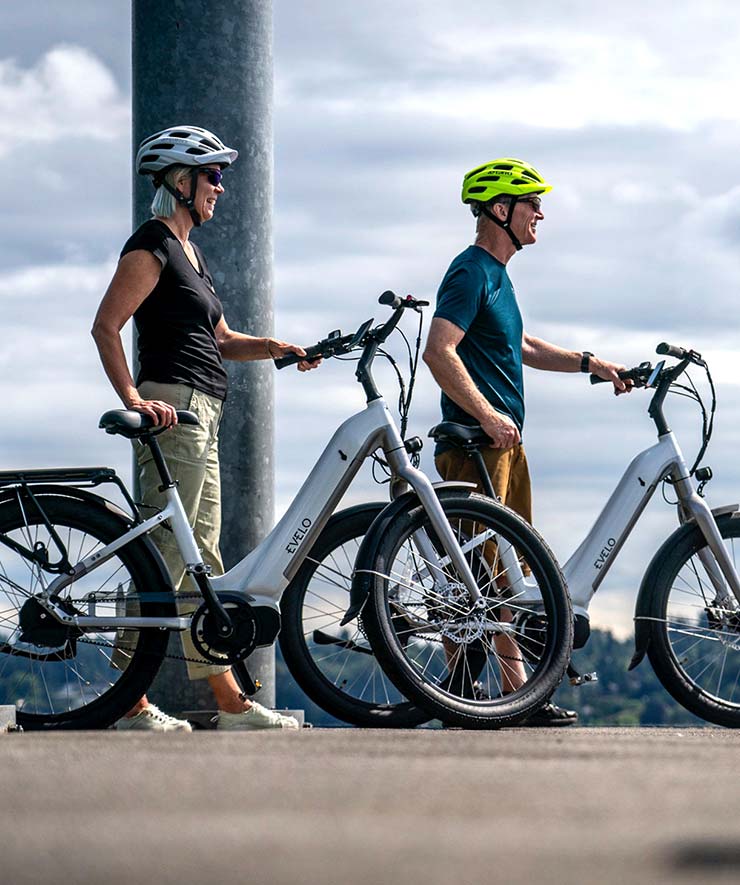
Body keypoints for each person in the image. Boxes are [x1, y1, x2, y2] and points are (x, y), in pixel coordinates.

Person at [92, 125, 318, 731]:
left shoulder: (191, 253)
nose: (221, 187)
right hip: (172, 407)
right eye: (213, 176)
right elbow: (106, 326)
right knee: (173, 553)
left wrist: (276, 348)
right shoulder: (152, 247)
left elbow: (218, 338)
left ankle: (219, 702)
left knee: (196, 557)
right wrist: (135, 398)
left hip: (204, 412)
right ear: (180, 182)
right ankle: (148, 703)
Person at [423, 158, 630, 727]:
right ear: (499, 209)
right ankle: (517, 695)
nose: (541, 212)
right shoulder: (470, 271)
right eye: (531, 202)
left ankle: (492, 692)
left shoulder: (497, 276)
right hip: (476, 446)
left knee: (509, 570)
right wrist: (487, 415)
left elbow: (523, 346)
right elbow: (439, 350)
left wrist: (590, 362)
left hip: (506, 447)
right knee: (487, 575)